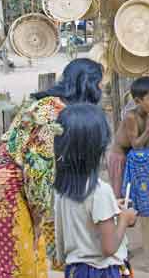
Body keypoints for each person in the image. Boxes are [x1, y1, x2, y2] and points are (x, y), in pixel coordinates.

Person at [0, 58, 104, 278]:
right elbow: (38, 172)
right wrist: (38, 217)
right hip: (10, 191)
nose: (101, 89)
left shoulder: (53, 105)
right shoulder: (53, 113)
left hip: (6, 185)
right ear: (88, 84)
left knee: (24, 260)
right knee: (18, 266)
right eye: (100, 83)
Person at [54, 104, 137, 278]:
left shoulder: (62, 187)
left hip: (75, 270)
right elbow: (109, 248)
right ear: (98, 148)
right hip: (102, 272)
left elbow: (80, 215)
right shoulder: (100, 192)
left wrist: (111, 206)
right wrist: (123, 219)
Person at [108, 76, 149, 197]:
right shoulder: (131, 117)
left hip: (131, 156)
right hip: (119, 158)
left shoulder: (148, 115)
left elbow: (146, 143)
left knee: (132, 192)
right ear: (138, 101)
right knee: (120, 195)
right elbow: (137, 145)